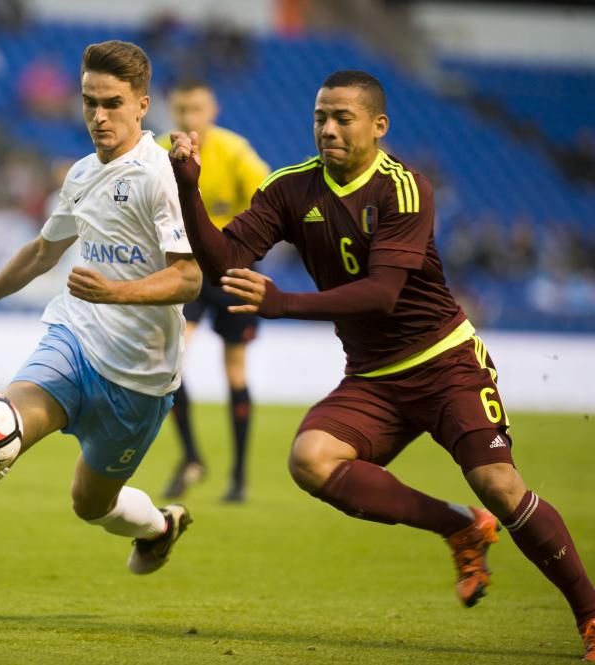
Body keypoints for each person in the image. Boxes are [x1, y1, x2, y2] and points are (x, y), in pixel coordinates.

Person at [168, 69, 595, 661]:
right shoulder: (290, 188)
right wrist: (189, 190)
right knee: (310, 461)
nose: (328, 128)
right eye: (321, 116)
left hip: (445, 363)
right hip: (373, 376)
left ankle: (591, 615)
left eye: (343, 117)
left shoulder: (404, 187)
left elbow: (382, 293)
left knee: (498, 484)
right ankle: (458, 525)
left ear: (378, 125)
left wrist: (282, 302)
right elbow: (225, 259)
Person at [0, 40, 202, 624]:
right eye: (89, 102)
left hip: (140, 380)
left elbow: (190, 277)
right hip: (72, 342)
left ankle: (158, 524)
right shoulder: (80, 174)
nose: (99, 116)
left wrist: (117, 292)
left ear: (143, 104)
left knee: (89, 504)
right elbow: (43, 252)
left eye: (113, 103)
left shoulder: (160, 178)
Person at [156, 80, 271, 502]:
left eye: (197, 109)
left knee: (235, 370)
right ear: (172, 110)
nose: (189, 118)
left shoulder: (234, 151)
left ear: (213, 109)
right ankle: (191, 458)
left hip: (235, 271)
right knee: (170, 362)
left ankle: (238, 476)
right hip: (187, 270)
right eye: (182, 109)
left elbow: (267, 198)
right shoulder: (159, 155)